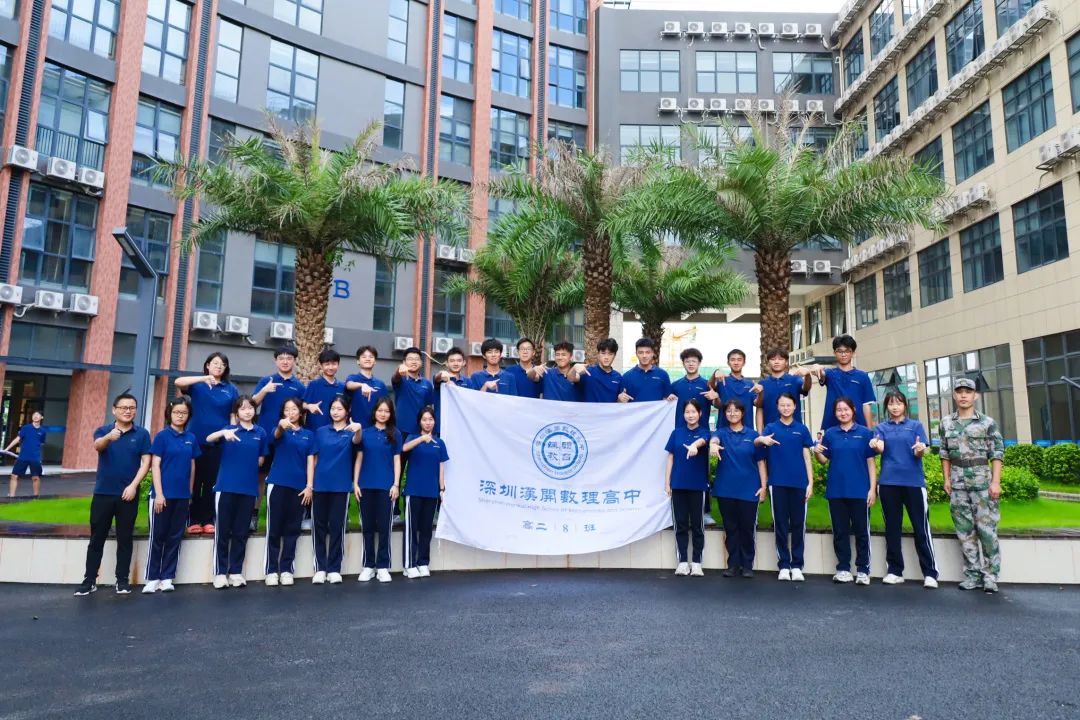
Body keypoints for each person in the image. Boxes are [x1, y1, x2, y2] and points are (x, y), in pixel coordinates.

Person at [75, 394, 152, 596]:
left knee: (125, 538)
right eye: (124, 407)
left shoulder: (142, 434)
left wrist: (134, 486)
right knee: (97, 538)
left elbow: (146, 462)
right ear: (114, 409)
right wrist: (109, 437)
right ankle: (89, 580)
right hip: (103, 493)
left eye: (132, 407)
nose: (128, 411)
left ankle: (122, 580)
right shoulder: (103, 431)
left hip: (128, 494)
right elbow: (97, 446)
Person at [940, 377, 1005, 593]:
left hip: (982, 484)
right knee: (964, 532)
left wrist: (995, 482)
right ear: (954, 395)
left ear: (975, 395)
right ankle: (972, 575)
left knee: (987, 531)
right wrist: (946, 479)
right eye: (959, 392)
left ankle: (990, 576)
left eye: (967, 392)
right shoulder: (946, 423)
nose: (963, 395)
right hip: (958, 484)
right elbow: (944, 453)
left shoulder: (987, 423)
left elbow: (997, 453)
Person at [874, 390, 938, 589]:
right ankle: (894, 571)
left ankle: (930, 573)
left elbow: (921, 451)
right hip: (888, 483)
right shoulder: (881, 428)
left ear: (905, 405)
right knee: (892, 528)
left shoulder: (915, 426)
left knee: (921, 528)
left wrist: (920, 450)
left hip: (913, 483)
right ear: (886, 406)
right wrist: (876, 445)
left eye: (899, 403)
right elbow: (880, 448)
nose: (895, 407)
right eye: (891, 403)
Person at [205, 396, 269, 589]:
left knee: (241, 532)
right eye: (243, 408)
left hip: (248, 489)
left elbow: (262, 458)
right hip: (225, 487)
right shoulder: (229, 430)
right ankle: (220, 572)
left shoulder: (260, 432)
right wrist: (222, 433)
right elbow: (208, 439)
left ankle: (236, 571)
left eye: (250, 408)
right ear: (237, 413)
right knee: (223, 532)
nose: (247, 411)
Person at [814, 397, 879, 586]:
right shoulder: (830, 434)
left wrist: (872, 489)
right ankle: (843, 568)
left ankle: (863, 570)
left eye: (846, 409)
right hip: (837, 491)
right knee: (840, 532)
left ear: (853, 410)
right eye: (839, 410)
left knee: (862, 532)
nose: (843, 413)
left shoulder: (865, 433)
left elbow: (871, 463)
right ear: (835, 413)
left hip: (860, 491)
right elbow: (823, 460)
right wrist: (817, 451)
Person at [175, 353, 239, 535]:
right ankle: (193, 519)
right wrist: (204, 378)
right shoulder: (198, 385)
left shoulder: (231, 389)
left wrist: (232, 433)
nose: (219, 366)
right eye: (215, 363)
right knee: (195, 481)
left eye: (223, 364)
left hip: (219, 442)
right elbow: (178, 382)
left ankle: (209, 519)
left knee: (212, 482)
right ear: (208, 365)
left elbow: (233, 415)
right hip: (195, 440)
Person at [144, 397, 200, 593]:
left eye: (184, 413)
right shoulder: (162, 436)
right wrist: (159, 494)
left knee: (175, 537)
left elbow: (192, 466)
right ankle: (152, 577)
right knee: (158, 536)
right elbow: (155, 465)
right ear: (170, 414)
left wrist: (190, 492)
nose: (180, 416)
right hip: (162, 496)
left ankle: (167, 577)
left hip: (182, 496)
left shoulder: (191, 438)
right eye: (176, 412)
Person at [757, 393, 814, 582]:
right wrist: (762, 440)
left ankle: (797, 565)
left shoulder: (802, 429)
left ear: (795, 406)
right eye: (782, 405)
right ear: (777, 407)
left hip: (799, 483)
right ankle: (783, 564)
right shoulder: (771, 428)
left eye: (789, 405)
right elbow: (758, 448)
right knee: (780, 525)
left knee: (798, 524)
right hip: (777, 483)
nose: (786, 408)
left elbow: (807, 457)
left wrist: (810, 482)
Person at [306, 396, 363, 584]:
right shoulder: (321, 432)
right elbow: (314, 459)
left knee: (338, 527)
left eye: (339, 409)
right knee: (319, 527)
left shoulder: (351, 431)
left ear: (347, 411)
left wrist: (358, 429)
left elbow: (357, 441)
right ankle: (320, 568)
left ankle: (334, 568)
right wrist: (310, 484)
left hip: (341, 487)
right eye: (333, 408)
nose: (335, 412)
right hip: (320, 485)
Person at [251, 346, 306, 532]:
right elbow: (252, 404)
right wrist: (265, 390)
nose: (285, 361)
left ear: (295, 361)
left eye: (289, 358)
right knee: (260, 475)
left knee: (287, 476)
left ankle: (287, 516)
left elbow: (303, 409)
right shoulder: (267, 380)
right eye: (281, 358)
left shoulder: (299, 386)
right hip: (266, 436)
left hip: (288, 440)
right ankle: (253, 514)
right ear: (276, 361)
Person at [710, 399, 766, 578]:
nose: (732, 414)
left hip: (749, 490)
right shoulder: (721, 432)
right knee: (731, 528)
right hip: (726, 490)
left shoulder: (753, 435)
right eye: (729, 411)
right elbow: (714, 439)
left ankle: (747, 564)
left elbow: (761, 462)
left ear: (742, 413)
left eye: (736, 411)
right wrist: (713, 445)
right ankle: (733, 564)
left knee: (747, 529)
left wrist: (763, 486)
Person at [264, 398, 314, 587]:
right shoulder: (280, 430)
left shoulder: (309, 435)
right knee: (274, 529)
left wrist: (309, 486)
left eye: (294, 409)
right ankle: (271, 570)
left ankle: (286, 569)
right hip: (277, 484)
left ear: (300, 412)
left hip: (299, 488)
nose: (291, 413)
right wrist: (281, 425)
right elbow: (276, 435)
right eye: (287, 409)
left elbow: (310, 461)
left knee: (292, 530)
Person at [354, 397, 403, 583]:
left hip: (386, 487)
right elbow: (359, 459)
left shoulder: (395, 433)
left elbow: (397, 460)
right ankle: (368, 565)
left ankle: (382, 566)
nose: (383, 414)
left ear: (391, 414)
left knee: (384, 527)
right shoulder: (364, 433)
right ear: (375, 412)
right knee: (367, 527)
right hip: (365, 486)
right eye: (380, 410)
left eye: (387, 411)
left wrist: (396, 484)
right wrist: (356, 483)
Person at [664, 399, 711, 577]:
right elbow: (670, 458)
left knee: (698, 525)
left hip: (697, 486)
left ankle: (697, 562)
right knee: (681, 524)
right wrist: (667, 482)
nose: (690, 415)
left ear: (700, 414)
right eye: (687, 412)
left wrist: (694, 446)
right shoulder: (676, 433)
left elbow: (703, 441)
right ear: (683, 414)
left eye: (693, 412)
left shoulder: (705, 432)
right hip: (678, 484)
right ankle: (682, 561)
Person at [401, 406, 448, 578]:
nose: (428, 423)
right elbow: (404, 448)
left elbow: (441, 467)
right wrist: (421, 439)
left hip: (431, 492)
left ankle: (423, 562)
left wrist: (442, 489)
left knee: (426, 529)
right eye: (424, 420)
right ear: (419, 422)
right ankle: (409, 564)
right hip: (413, 491)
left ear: (434, 422)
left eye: (430, 419)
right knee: (411, 528)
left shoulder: (439, 443)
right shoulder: (413, 438)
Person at [814, 335, 876, 430]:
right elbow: (819, 373)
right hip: (833, 427)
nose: (843, 354)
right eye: (840, 351)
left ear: (853, 353)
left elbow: (866, 405)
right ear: (834, 353)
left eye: (847, 351)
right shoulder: (830, 374)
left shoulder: (862, 376)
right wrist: (816, 367)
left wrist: (869, 430)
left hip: (858, 426)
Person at [755, 348, 812, 432]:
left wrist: (807, 375)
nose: (776, 362)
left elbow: (806, 388)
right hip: (770, 432)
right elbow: (759, 407)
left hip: (794, 431)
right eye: (773, 359)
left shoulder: (794, 379)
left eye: (780, 359)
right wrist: (760, 433)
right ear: (768, 363)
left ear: (786, 362)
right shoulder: (762, 384)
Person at [710, 349, 762, 430]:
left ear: (744, 363)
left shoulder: (750, 384)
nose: (736, 362)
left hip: (746, 431)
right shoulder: (721, 381)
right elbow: (709, 386)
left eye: (739, 360)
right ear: (728, 362)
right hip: (724, 430)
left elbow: (758, 404)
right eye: (733, 360)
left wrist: (760, 393)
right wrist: (715, 373)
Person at [392, 346, 435, 438]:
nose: (414, 361)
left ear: (421, 362)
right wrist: (399, 369)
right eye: (410, 359)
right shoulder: (400, 380)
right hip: (401, 430)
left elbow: (428, 408)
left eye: (417, 359)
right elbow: (396, 377)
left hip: (421, 431)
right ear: (404, 362)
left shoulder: (427, 384)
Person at [669, 348, 715, 429]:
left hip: (702, 431)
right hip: (680, 430)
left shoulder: (707, 385)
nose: (690, 364)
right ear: (683, 363)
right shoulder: (675, 385)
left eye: (694, 361)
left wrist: (716, 397)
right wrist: (668, 398)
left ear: (699, 363)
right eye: (687, 361)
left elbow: (718, 405)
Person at [6, 410, 47, 497]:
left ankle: (36, 497)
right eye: (34, 415)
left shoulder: (43, 431)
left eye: (37, 415)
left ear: (41, 417)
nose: (35, 416)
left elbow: (41, 443)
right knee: (14, 476)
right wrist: (7, 449)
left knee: (35, 478)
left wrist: (39, 457)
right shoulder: (25, 428)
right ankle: (11, 496)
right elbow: (18, 439)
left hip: (35, 457)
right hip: (23, 456)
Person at [345, 345, 389, 428]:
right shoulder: (353, 378)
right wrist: (361, 385)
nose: (368, 359)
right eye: (364, 357)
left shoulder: (380, 384)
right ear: (358, 361)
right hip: (355, 428)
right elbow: (348, 385)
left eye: (371, 357)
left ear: (375, 361)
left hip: (375, 429)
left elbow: (387, 407)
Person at [303, 349, 346, 431]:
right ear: (321, 365)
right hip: (315, 431)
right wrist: (309, 406)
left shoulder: (342, 387)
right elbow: (302, 404)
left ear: (338, 365)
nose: (330, 367)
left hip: (336, 432)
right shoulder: (314, 385)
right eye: (327, 364)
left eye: (334, 364)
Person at [432, 346, 469, 433]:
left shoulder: (468, 382)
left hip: (461, 427)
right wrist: (441, 374)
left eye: (459, 361)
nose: (455, 363)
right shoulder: (441, 379)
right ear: (446, 363)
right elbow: (437, 378)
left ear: (464, 363)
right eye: (452, 361)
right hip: (442, 427)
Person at [576, 338, 624, 403]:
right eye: (603, 353)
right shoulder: (587, 372)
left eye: (610, 354)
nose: (606, 357)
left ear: (614, 356)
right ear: (598, 354)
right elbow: (570, 378)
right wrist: (574, 368)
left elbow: (618, 402)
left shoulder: (618, 377)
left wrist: (620, 400)